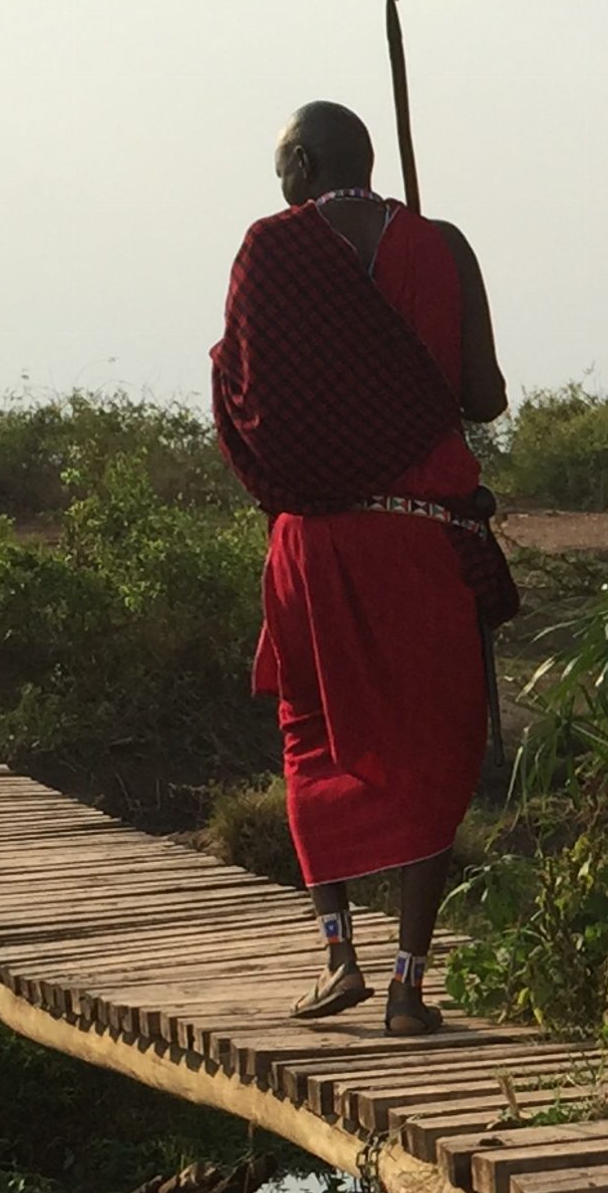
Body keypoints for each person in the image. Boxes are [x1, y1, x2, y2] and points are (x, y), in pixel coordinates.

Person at [210, 100, 512, 1037]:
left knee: (312, 730)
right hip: (420, 532)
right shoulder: (443, 244)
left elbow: (242, 392)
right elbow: (485, 399)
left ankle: (337, 951)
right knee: (436, 741)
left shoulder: (268, 248)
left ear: (302, 161)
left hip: (313, 545)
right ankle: (407, 987)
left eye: (279, 166)